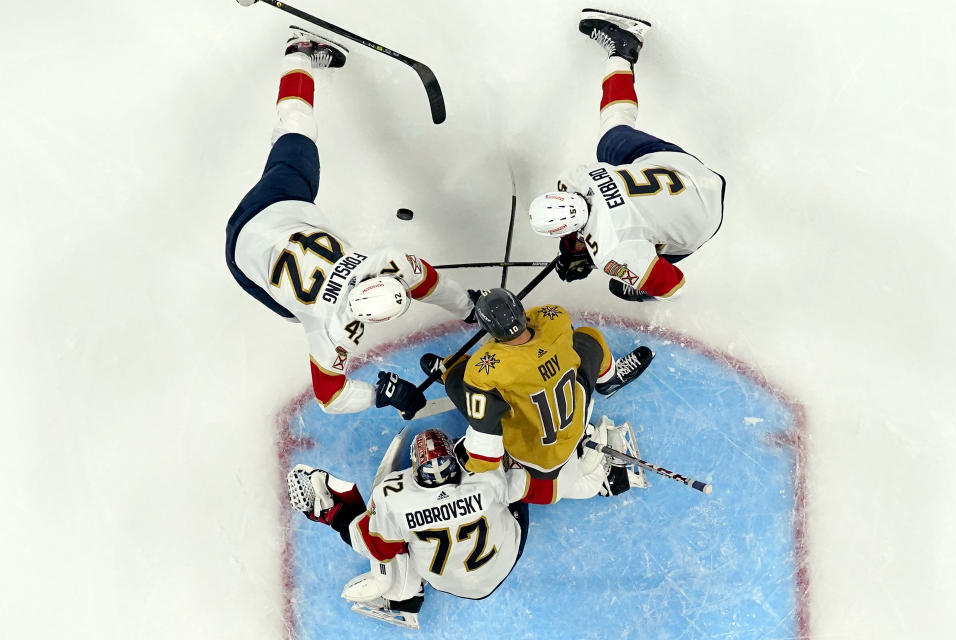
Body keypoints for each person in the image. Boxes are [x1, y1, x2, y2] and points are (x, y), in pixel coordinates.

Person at [224, 27, 473, 417]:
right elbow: (331, 400)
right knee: (293, 310)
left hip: (277, 209)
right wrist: (467, 306)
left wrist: (383, 394)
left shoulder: (335, 325)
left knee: (296, 130)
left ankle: (298, 55)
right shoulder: (336, 321)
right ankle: (299, 52)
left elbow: (333, 395)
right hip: (246, 255)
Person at [527, 9, 726, 303]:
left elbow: (676, 289)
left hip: (703, 221)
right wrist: (580, 250)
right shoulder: (574, 179)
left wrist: (600, 262)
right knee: (612, 135)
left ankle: (640, 281)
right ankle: (622, 50)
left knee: (621, 286)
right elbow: (599, 218)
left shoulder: (612, 251)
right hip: (684, 171)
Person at [422, 288, 653, 504]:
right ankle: (609, 378)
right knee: (590, 337)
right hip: (574, 422)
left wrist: (469, 467)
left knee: (467, 385)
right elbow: (538, 319)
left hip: (535, 461)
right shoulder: (555, 319)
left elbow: (485, 456)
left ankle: (448, 369)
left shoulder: (483, 369)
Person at [286, 428, 530, 629]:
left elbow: (371, 546)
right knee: (511, 475)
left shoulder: (396, 499)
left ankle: (405, 597)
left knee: (389, 533)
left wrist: (334, 515)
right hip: (503, 561)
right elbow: (526, 483)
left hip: (446, 582)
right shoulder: (487, 478)